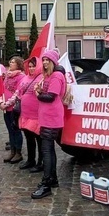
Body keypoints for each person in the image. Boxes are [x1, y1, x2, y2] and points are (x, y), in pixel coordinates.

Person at [32, 49, 67, 199]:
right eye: (44, 59)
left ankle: (46, 184)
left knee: (46, 151)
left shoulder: (57, 76)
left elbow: (51, 97)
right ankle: (52, 179)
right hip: (47, 118)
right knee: (49, 150)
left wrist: (38, 94)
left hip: (52, 119)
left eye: (48, 60)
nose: (45, 62)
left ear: (53, 62)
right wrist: (40, 90)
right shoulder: (50, 76)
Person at [8, 57, 43, 172]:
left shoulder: (42, 78)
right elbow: (18, 92)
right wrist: (9, 103)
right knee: (29, 139)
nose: (32, 68)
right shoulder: (26, 78)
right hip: (25, 114)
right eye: (30, 66)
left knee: (39, 140)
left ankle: (41, 162)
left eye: (34, 66)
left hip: (37, 115)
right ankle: (30, 160)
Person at [0, 56, 26, 164]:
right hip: (5, 108)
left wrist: (7, 103)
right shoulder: (6, 76)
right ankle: (12, 151)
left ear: (18, 64)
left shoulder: (21, 77)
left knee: (16, 130)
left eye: (13, 62)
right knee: (10, 131)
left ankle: (18, 153)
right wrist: (1, 102)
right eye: (10, 61)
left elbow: (17, 93)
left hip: (14, 108)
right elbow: (2, 89)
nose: (10, 63)